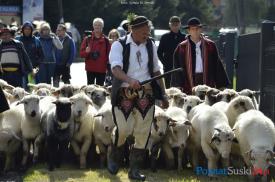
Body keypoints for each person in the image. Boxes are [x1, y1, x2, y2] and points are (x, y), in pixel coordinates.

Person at [108, 15, 169, 181]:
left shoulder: (150, 44)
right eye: (144, 32)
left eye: (148, 31)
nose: (147, 35)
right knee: (124, 128)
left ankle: (134, 171)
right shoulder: (118, 45)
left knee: (143, 132)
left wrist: (163, 93)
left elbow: (156, 70)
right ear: (133, 30)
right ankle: (114, 155)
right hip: (124, 92)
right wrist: (130, 80)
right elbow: (116, 69)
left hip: (146, 92)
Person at [171, 17, 230, 94]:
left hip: (207, 80)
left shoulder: (210, 45)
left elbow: (217, 64)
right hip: (189, 82)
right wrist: (177, 86)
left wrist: (221, 85)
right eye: (192, 29)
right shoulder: (182, 47)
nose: (195, 31)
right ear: (188, 30)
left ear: (201, 29)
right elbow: (177, 68)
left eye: (197, 28)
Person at [80, 18, 110, 86]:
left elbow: (109, 56)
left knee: (100, 90)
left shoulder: (106, 40)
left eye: (99, 25)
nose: (97, 27)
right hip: (90, 69)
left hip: (101, 69)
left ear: (102, 27)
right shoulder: (87, 39)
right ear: (93, 26)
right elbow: (81, 54)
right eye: (95, 25)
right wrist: (86, 52)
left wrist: (109, 68)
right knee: (90, 90)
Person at [157, 16, 186, 88]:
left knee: (182, 86)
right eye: (173, 25)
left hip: (181, 67)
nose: (175, 27)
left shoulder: (184, 37)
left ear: (180, 25)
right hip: (168, 67)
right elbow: (159, 52)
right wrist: (165, 63)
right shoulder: (164, 37)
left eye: (176, 25)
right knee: (169, 87)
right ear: (170, 25)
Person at [16, 21, 44, 87]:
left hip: (33, 70)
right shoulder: (17, 40)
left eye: (29, 29)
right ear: (22, 30)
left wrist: (37, 68)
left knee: (33, 89)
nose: (27, 30)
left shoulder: (36, 40)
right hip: (21, 69)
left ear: (31, 30)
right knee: (22, 89)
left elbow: (42, 56)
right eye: (25, 29)